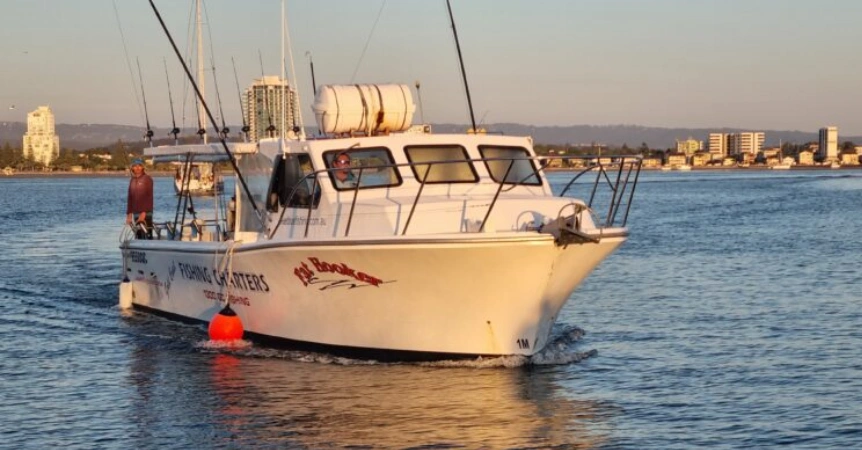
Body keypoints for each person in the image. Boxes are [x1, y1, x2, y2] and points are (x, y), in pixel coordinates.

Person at [126, 158, 154, 239]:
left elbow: (149, 197)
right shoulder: (132, 180)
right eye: (135, 166)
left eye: (139, 166)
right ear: (132, 168)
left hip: (146, 214)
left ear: (143, 167)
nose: (137, 168)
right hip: (136, 214)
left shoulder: (147, 179)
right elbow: (130, 198)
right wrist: (129, 214)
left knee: (147, 237)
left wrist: (143, 213)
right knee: (138, 237)